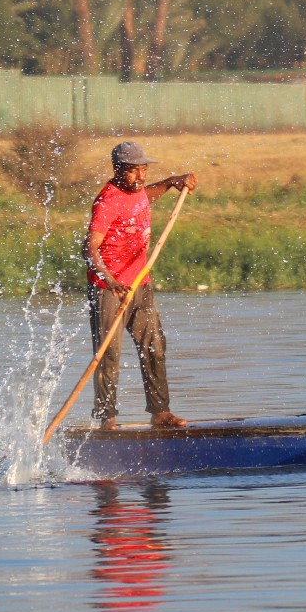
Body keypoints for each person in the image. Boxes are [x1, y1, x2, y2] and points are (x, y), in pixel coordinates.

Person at [85, 140, 198, 429]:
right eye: (134, 171)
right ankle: (106, 420)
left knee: (154, 346)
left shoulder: (138, 191)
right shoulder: (107, 201)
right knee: (108, 354)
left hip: (140, 284)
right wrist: (110, 281)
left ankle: (160, 412)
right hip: (108, 289)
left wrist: (173, 182)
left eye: (144, 169)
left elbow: (146, 195)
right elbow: (90, 248)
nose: (141, 177)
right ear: (118, 170)